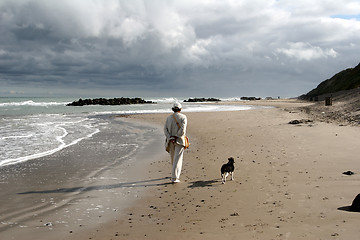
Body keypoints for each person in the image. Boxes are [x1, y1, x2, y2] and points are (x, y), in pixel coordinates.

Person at [164, 102, 187, 183]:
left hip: (170, 141)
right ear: (180, 109)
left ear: (173, 109)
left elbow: (165, 130)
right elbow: (182, 130)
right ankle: (174, 177)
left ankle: (174, 174)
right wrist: (176, 136)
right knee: (178, 159)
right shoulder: (183, 117)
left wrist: (170, 137)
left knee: (173, 159)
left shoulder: (168, 118)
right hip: (179, 141)